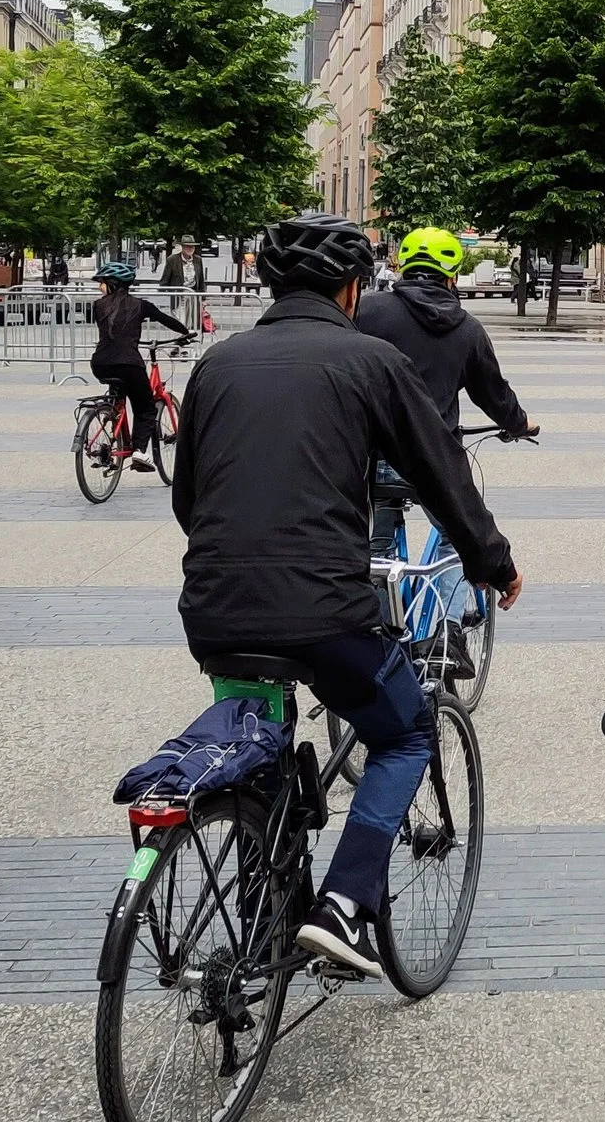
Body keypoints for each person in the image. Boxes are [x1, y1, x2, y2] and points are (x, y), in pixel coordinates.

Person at [171, 213, 522, 978]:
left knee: (258, 748)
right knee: (403, 734)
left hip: (215, 610)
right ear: (352, 287)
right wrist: (493, 563)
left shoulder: (217, 363)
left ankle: (264, 919)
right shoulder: (369, 361)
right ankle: (344, 905)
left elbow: (187, 498)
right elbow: (442, 476)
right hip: (326, 611)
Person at [352, 227, 535, 578]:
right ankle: (448, 626)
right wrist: (520, 423)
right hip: (435, 458)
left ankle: (382, 623)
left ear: (402, 266)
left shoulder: (367, 311)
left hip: (376, 454)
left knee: (377, 548)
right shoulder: (467, 329)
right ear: (452, 276)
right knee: (461, 540)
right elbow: (493, 395)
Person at [90, 261, 192, 468]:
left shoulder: (98, 306)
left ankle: (114, 425)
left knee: (119, 394)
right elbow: (167, 320)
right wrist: (186, 333)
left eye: (101, 283)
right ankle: (139, 451)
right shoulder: (141, 305)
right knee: (145, 408)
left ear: (112, 284)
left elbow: (113, 332)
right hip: (129, 364)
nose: (99, 287)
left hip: (100, 363)